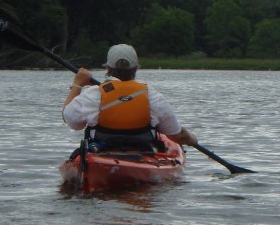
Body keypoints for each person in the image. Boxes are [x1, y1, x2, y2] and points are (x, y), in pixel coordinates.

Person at [62, 43, 198, 149]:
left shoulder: (94, 94)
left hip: (102, 152)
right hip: (143, 153)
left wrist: (77, 84)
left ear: (107, 68)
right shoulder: (152, 96)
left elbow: (71, 121)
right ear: (136, 68)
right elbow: (176, 135)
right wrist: (191, 139)